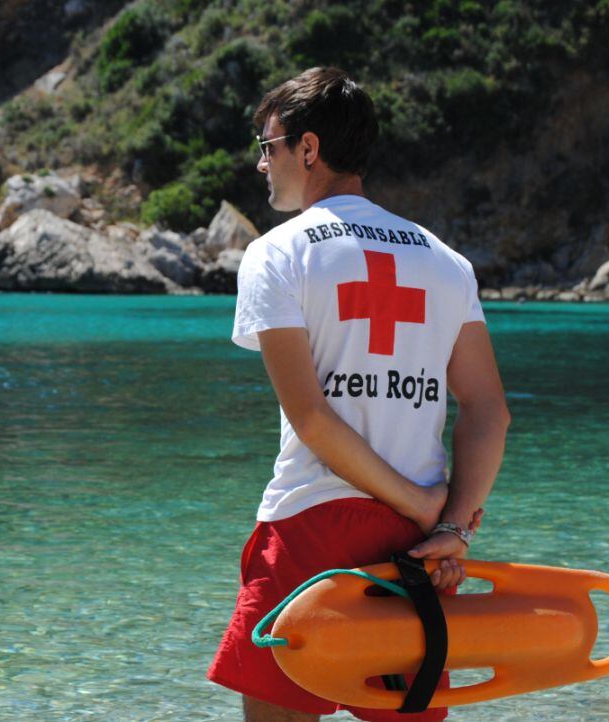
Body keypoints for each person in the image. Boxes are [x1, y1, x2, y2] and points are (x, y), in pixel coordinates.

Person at [207, 67, 510, 722]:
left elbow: (312, 420)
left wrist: (426, 507)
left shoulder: (277, 254)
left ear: (308, 149)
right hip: (414, 547)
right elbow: (489, 410)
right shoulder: (445, 262)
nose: (262, 165)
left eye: (268, 146)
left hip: (311, 524)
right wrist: (448, 523)